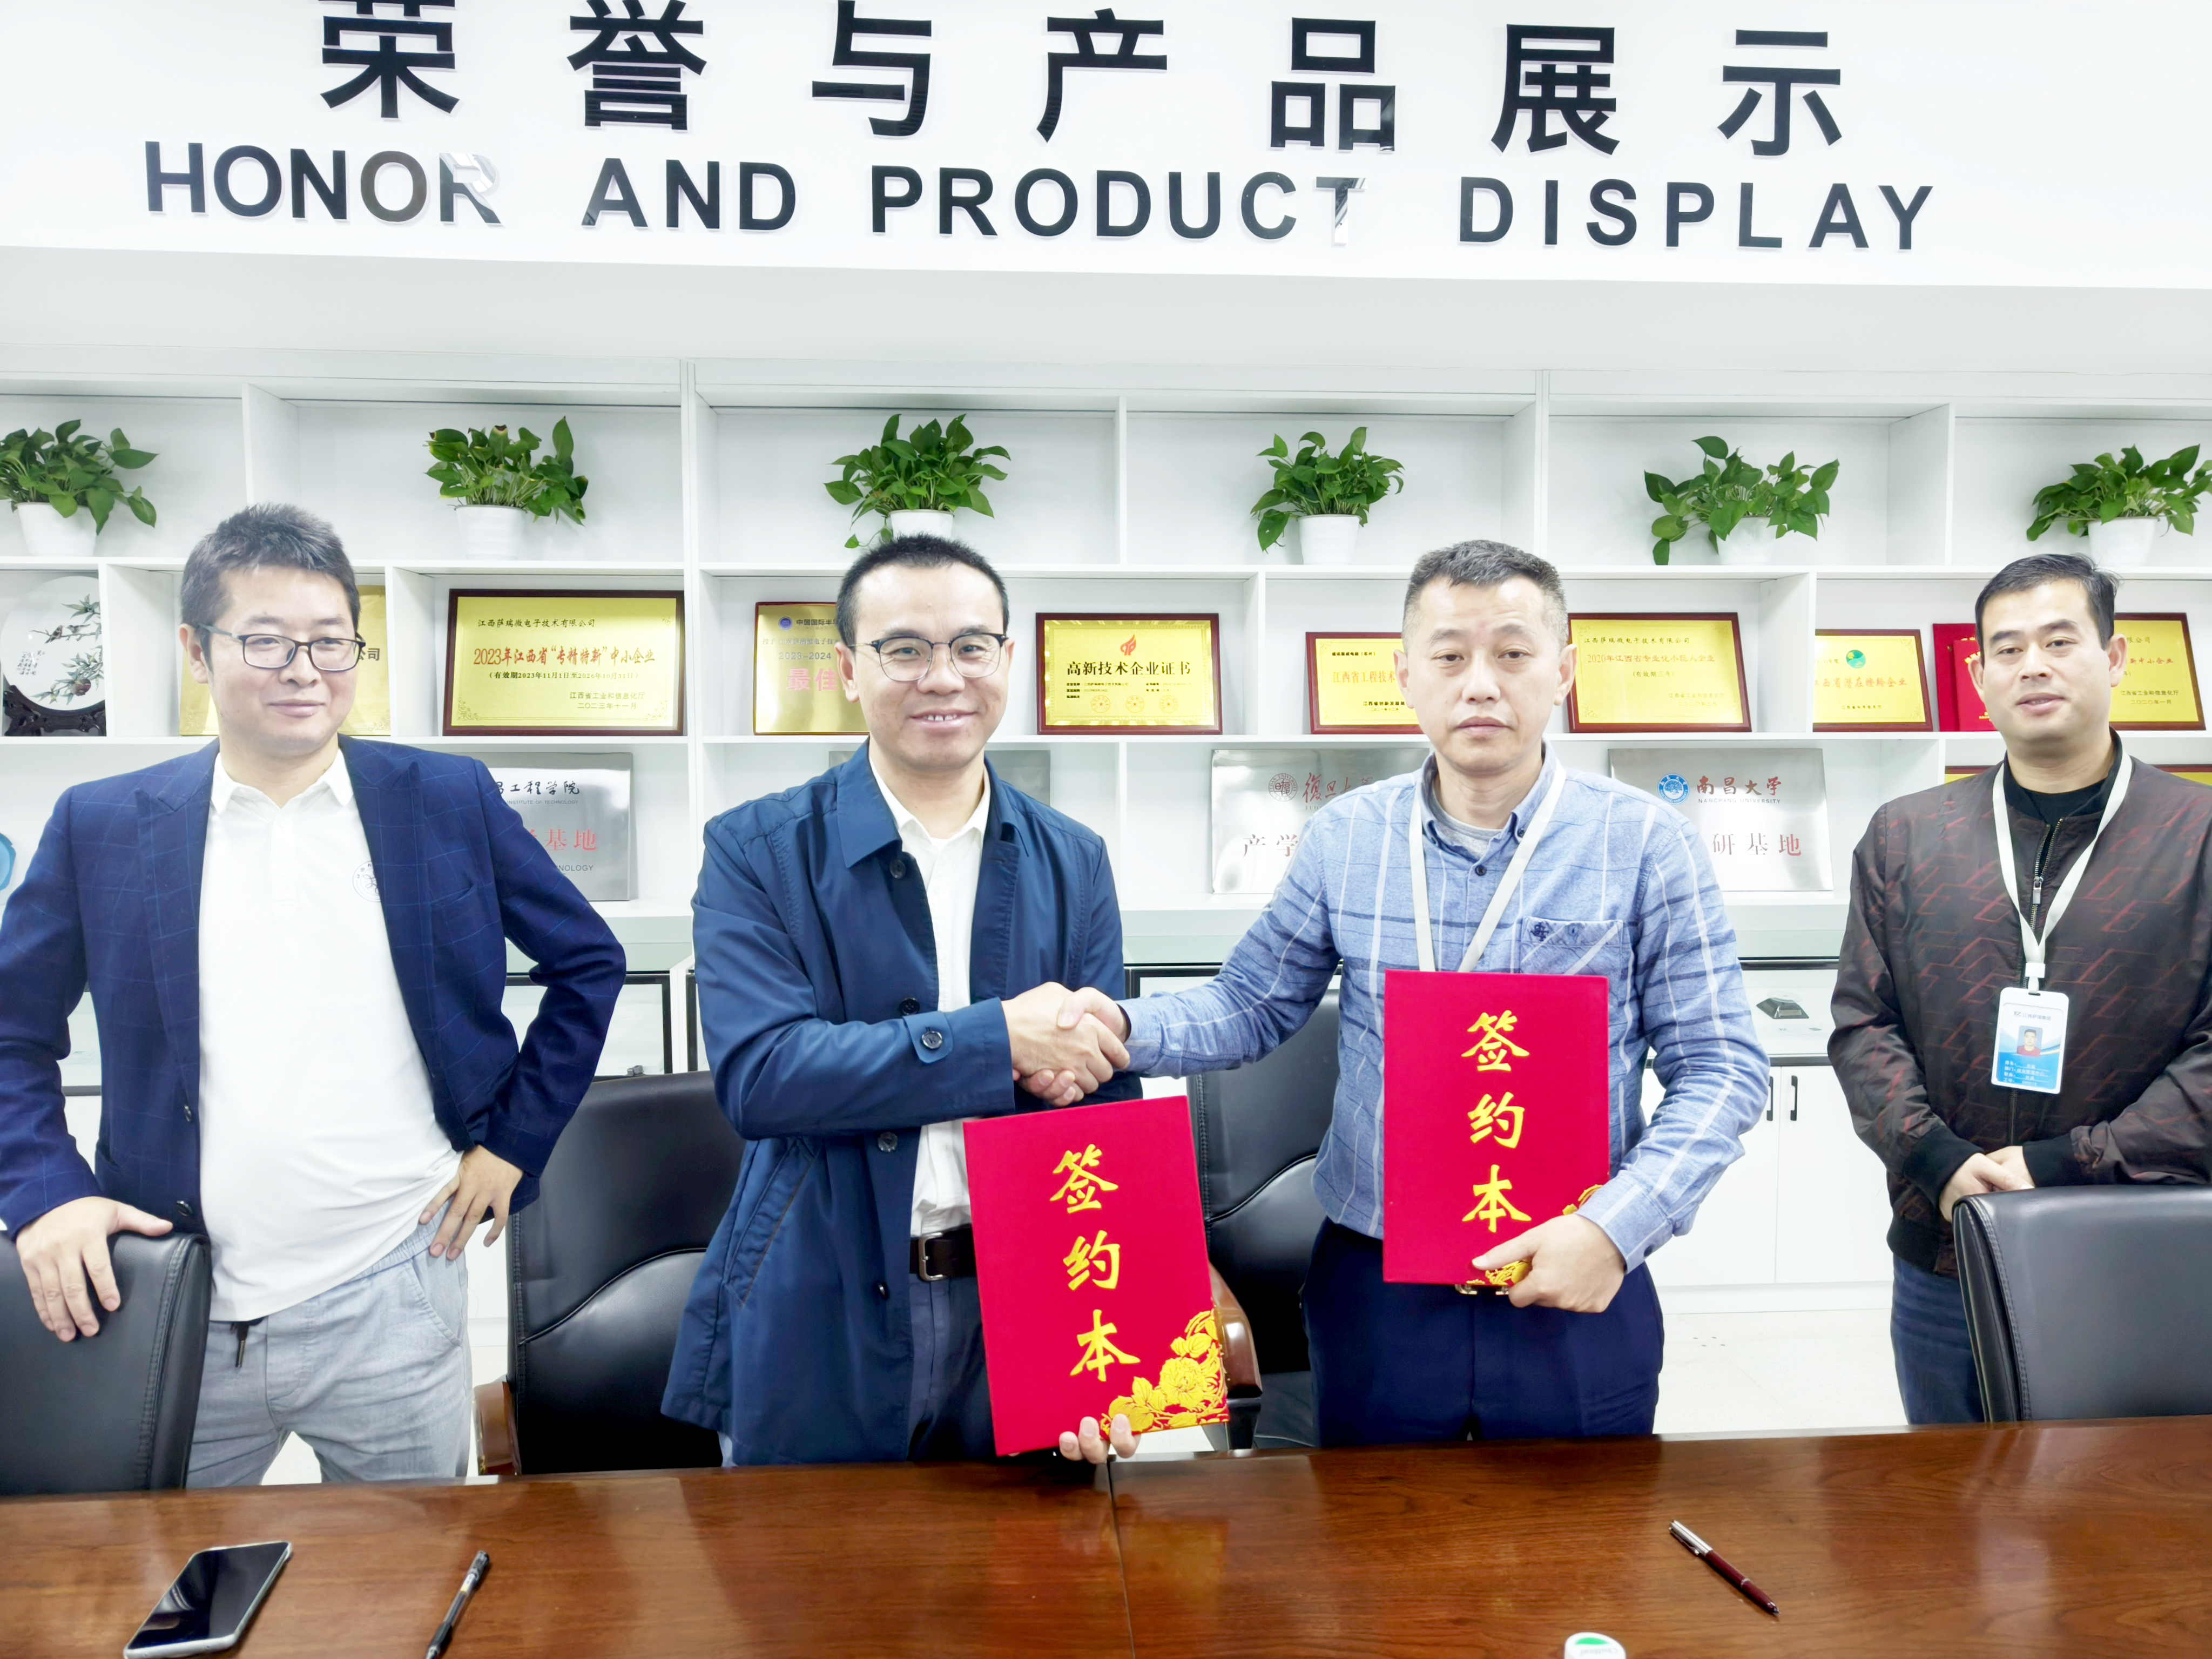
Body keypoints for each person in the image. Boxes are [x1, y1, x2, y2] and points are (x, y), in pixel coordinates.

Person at [1048, 541, 1768, 1458]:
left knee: (1576, 1537)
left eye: (1513, 653)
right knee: (1376, 1538)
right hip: (1378, 1280)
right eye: (1450, 655)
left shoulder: (1646, 844)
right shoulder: (1347, 836)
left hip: (1573, 1272)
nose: (1481, 685)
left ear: (1563, 672)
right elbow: (1252, 1004)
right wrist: (1119, 1024)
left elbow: (1722, 1069)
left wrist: (1615, 1230)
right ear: (1405, 676)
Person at [0, 503, 624, 1483]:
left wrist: (515, 1143)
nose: (304, 670)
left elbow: (588, 962)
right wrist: (46, 1196)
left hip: (396, 1288)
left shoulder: (445, 799)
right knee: (167, 1575)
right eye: (266, 640)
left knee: (410, 1573)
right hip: (174, 1296)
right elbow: (10, 1033)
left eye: (331, 642)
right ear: (196, 652)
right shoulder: (104, 823)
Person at [662, 535, 1137, 1465]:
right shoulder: (755, 852)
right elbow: (765, 1077)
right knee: (813, 1560)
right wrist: (998, 1042)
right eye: (905, 650)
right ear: (849, 669)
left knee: (1028, 1559)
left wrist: (1116, 1339)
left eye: (971, 647)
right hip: (819, 1303)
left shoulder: (1074, 860)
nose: (943, 677)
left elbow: (1102, 1097)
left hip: (1022, 1302)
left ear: (1008, 659)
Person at [1832, 550, 2212, 1425]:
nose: (2032, 665)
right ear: (1978, 677)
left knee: (2117, 1498)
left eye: (2059, 640)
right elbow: (1864, 1025)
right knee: (1948, 1490)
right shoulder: (1906, 836)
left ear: (2115, 658)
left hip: (2136, 1248)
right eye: (2007, 649)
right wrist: (1937, 1159)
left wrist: (2066, 1163)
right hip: (1945, 1244)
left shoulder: (2197, 835)